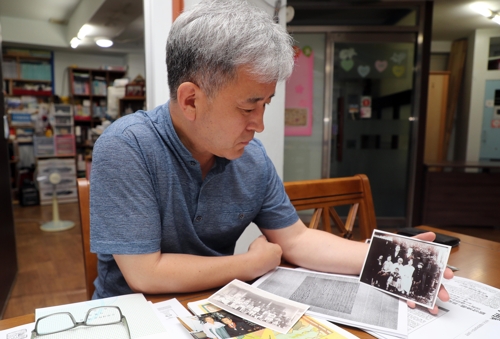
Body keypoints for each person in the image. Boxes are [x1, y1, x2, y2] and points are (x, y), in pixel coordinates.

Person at [89, 0, 451, 314]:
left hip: (213, 305)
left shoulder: (251, 158)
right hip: (132, 317)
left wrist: (394, 259)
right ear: (190, 100)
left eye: (266, 104)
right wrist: (248, 264)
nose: (259, 125)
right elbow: (144, 273)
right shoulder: (126, 147)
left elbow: (296, 240)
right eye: (248, 107)